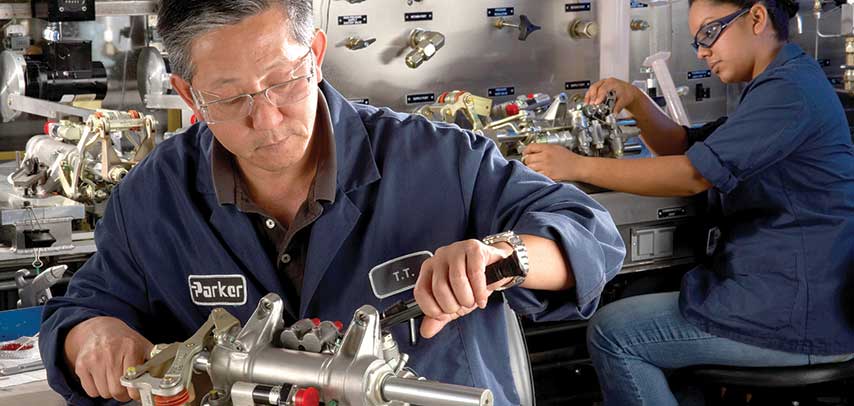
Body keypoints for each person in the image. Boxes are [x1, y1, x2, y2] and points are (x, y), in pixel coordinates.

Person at [37, 1, 625, 405]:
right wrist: (94, 335)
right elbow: (86, 305)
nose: (267, 119)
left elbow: (590, 234)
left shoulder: (439, 160)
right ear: (189, 94)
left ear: (316, 53)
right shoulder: (154, 196)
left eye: (284, 81)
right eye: (231, 98)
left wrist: (504, 257)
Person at [523, 0, 854, 404]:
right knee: (640, 297)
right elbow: (685, 146)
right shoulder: (780, 82)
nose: (702, 52)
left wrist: (577, 166)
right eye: (697, 41)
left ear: (756, 18)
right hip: (787, 296)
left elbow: (693, 174)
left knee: (614, 334)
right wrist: (635, 100)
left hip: (797, 315)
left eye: (710, 33)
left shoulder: (790, 92)